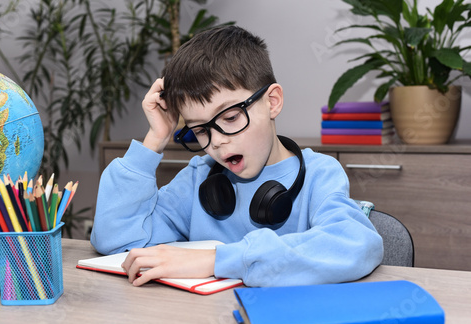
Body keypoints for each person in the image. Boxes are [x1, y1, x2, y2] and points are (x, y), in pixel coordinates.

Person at [91, 25, 383, 287]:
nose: (216, 142)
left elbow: (357, 244)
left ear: (272, 102)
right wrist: (155, 139)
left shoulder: (319, 174)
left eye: (230, 117)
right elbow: (117, 240)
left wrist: (215, 261)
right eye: (200, 130)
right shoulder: (198, 177)